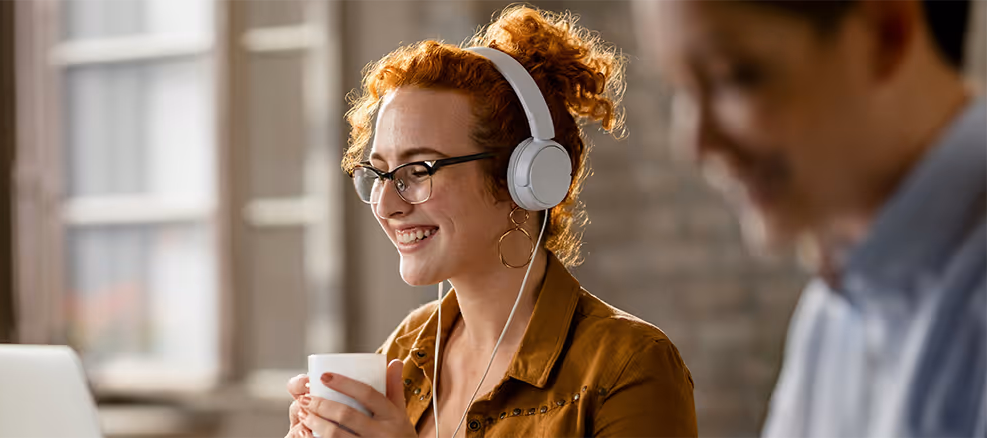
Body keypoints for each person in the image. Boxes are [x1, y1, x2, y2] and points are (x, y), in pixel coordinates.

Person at [282, 6, 698, 438]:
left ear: (523, 180)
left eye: (419, 170)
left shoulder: (629, 366)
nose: (385, 204)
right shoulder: (410, 350)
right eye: (380, 172)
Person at [633, 0, 983, 436]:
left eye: (735, 77)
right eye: (680, 88)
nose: (696, 144)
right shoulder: (834, 312)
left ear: (886, 33)